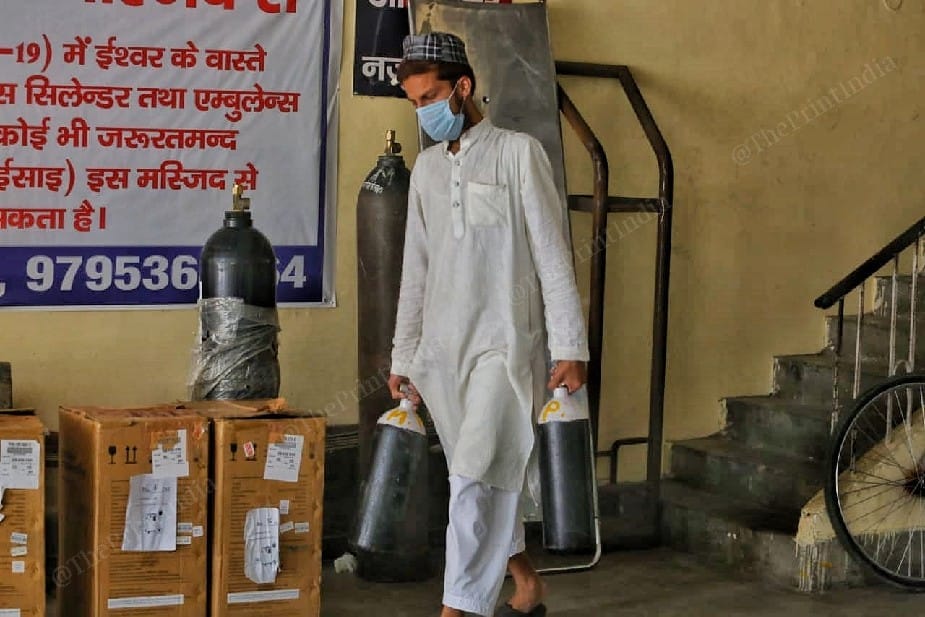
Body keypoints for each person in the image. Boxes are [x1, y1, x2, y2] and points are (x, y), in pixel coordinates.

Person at [387, 32, 589, 617]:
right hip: (444, 354)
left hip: (504, 348)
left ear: (463, 87)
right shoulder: (425, 171)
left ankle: (460, 609)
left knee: (477, 476)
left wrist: (570, 345)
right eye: (413, 101)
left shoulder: (517, 153)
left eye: (429, 96)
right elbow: (415, 272)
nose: (422, 110)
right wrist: (405, 358)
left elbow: (553, 255)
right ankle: (526, 586)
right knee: (482, 478)